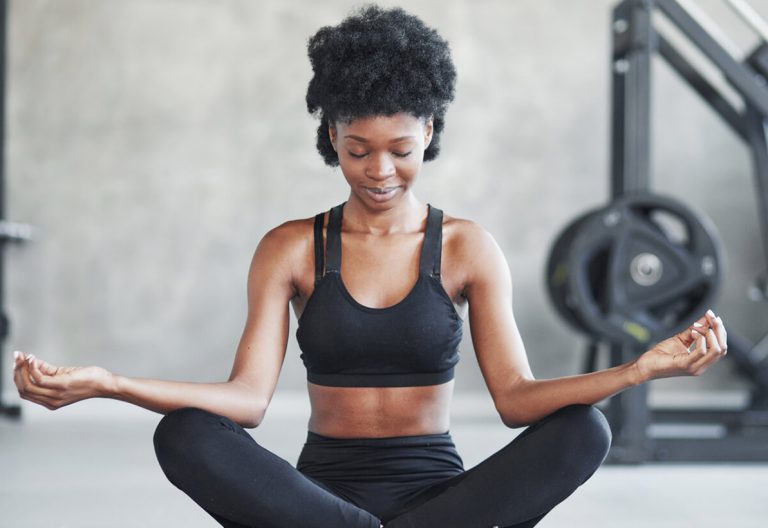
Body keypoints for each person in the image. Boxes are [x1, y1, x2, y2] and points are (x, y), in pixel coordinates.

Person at [13, 5, 728, 528]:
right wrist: (108, 383)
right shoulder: (291, 247)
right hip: (317, 501)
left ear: (431, 132)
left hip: (440, 502)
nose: (380, 170)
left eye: (401, 148)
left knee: (585, 431)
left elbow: (516, 400)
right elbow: (247, 401)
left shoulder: (467, 248)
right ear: (331, 136)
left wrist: (639, 372)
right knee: (186, 433)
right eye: (358, 149)